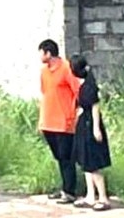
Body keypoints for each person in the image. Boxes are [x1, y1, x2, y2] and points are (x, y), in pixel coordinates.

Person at [38, 38, 81, 205]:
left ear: (48, 53)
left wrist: (74, 114)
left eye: (41, 52)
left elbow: (78, 91)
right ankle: (64, 188)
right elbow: (45, 94)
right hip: (48, 121)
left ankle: (70, 191)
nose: (40, 56)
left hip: (64, 122)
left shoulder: (66, 69)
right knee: (59, 157)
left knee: (66, 157)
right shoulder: (44, 72)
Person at [70, 55, 111, 211]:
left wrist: (96, 128)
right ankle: (90, 195)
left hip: (90, 124)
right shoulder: (84, 84)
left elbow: (95, 107)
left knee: (93, 163)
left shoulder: (89, 86)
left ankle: (103, 197)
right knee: (85, 162)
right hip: (83, 124)